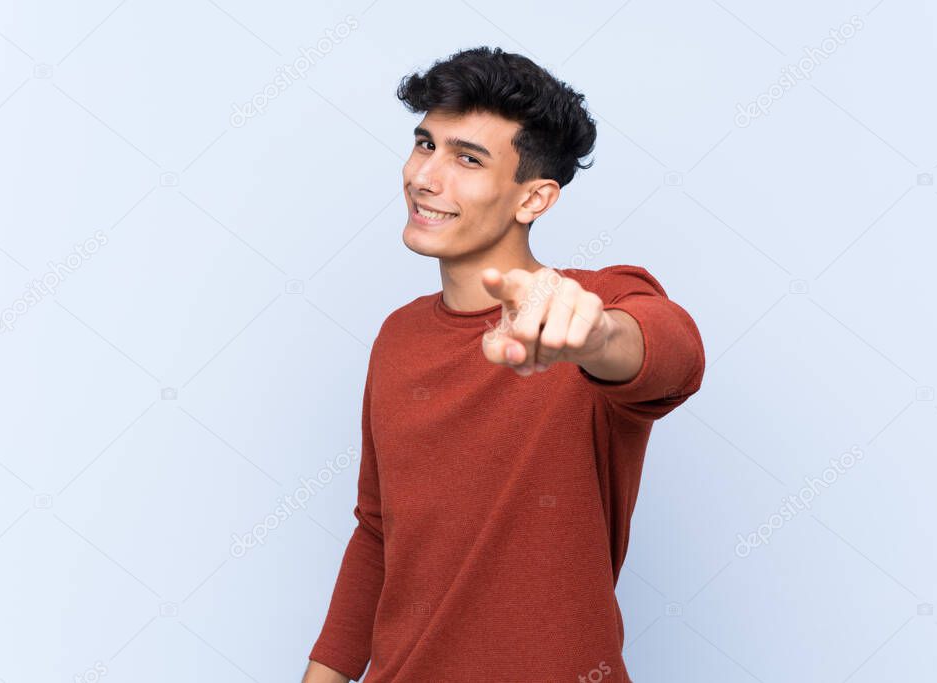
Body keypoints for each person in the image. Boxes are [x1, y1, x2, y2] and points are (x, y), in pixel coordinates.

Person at [302, 45, 705, 683]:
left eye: (468, 158)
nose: (426, 177)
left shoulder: (592, 306)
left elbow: (672, 354)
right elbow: (379, 534)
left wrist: (595, 336)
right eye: (425, 144)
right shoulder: (398, 337)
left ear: (533, 199)